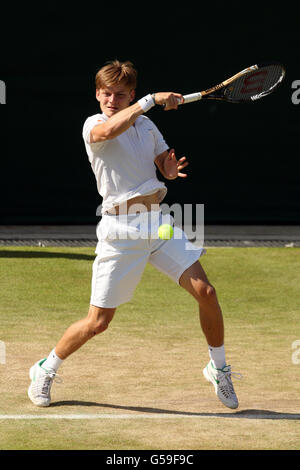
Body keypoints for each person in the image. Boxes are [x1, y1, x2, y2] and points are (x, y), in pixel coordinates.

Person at [28, 60, 241, 409]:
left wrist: (169, 172)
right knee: (98, 322)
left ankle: (218, 368)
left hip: (158, 222)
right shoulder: (94, 124)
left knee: (206, 291)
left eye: (121, 94)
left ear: (129, 95)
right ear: (98, 94)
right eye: (107, 93)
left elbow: (163, 166)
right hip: (120, 231)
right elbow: (110, 132)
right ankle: (46, 368)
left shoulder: (147, 127)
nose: (113, 99)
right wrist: (152, 98)